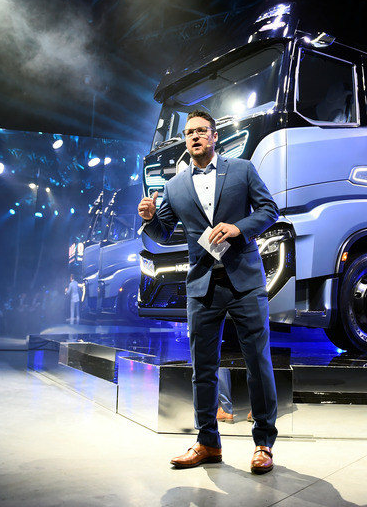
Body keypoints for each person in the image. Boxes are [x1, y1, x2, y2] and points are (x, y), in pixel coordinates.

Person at [137, 110, 278, 474]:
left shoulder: (243, 169)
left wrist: (238, 228)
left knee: (258, 363)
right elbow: (164, 233)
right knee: (202, 367)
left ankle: (263, 443)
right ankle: (207, 442)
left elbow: (268, 210)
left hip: (244, 280)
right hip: (202, 285)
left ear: (215, 137)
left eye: (201, 131)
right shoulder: (175, 186)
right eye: (189, 133)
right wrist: (150, 218)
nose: (195, 137)